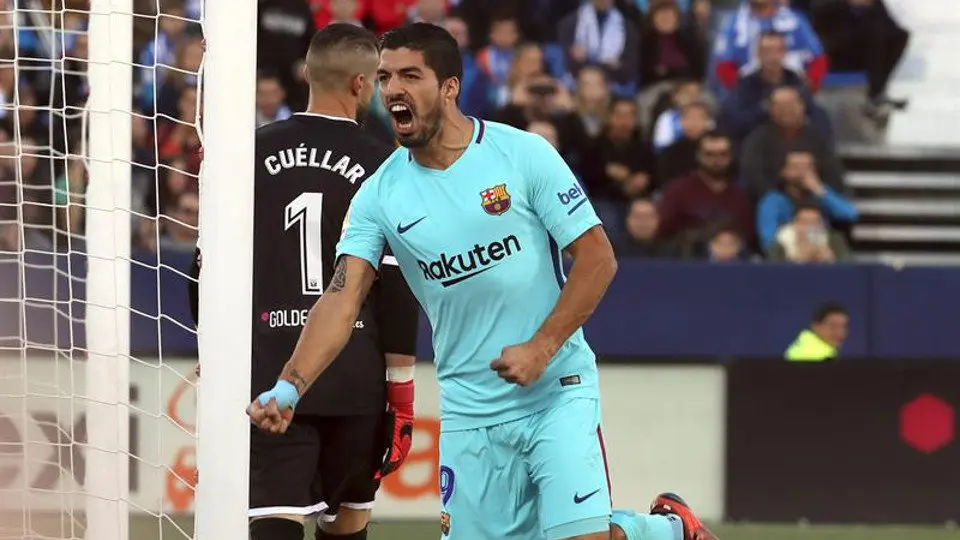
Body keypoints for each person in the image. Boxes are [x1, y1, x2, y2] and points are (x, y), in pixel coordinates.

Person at [248, 22, 717, 540]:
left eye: (411, 75)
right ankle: (664, 531)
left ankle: (663, 530)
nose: (393, 90)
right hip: (470, 409)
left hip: (556, 390)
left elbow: (598, 257)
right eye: (384, 77)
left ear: (449, 87)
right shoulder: (379, 194)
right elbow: (341, 298)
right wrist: (290, 385)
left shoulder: (522, 155)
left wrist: (542, 346)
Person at [231, 24, 420, 540]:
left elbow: (206, 268)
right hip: (354, 377)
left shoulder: (246, 154)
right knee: (349, 520)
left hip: (268, 373)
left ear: (306, 74)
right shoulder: (387, 165)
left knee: (272, 518)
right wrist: (401, 395)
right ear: (362, 84)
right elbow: (399, 287)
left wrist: (215, 354)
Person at [784, 301, 849, 361]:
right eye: (833, 326)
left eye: (844, 326)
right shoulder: (814, 356)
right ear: (815, 327)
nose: (840, 332)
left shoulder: (803, 345)